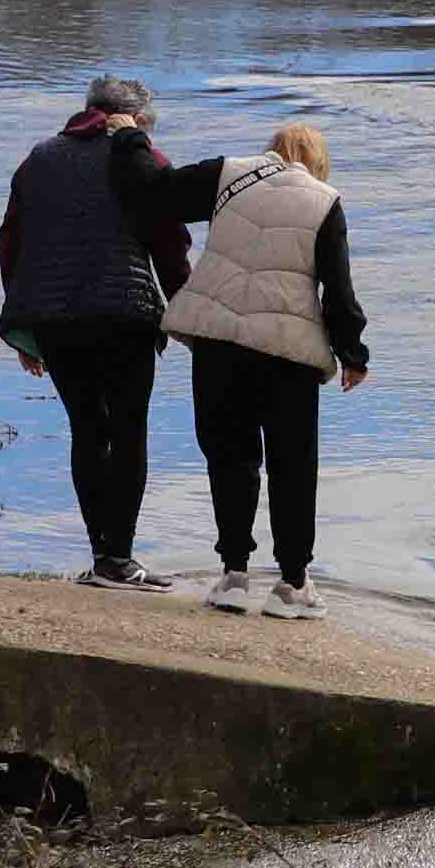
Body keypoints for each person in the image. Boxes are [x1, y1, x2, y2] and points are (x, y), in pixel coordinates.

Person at [154, 119, 370, 618]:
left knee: (230, 457)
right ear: (317, 160)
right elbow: (338, 289)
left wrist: (130, 140)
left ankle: (233, 576)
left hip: (219, 343)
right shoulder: (324, 200)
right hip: (287, 354)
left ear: (271, 149)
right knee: (293, 466)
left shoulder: (227, 174)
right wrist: (353, 354)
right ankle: (292, 586)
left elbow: (160, 195)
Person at [0, 74, 191, 590]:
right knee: (128, 431)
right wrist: (187, 311)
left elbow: (11, 243)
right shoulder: (143, 159)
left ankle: (101, 557)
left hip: (52, 320)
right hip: (123, 313)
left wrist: (23, 325)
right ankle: (119, 558)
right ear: (139, 119)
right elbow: (168, 243)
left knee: (87, 428)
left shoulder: (38, 159)